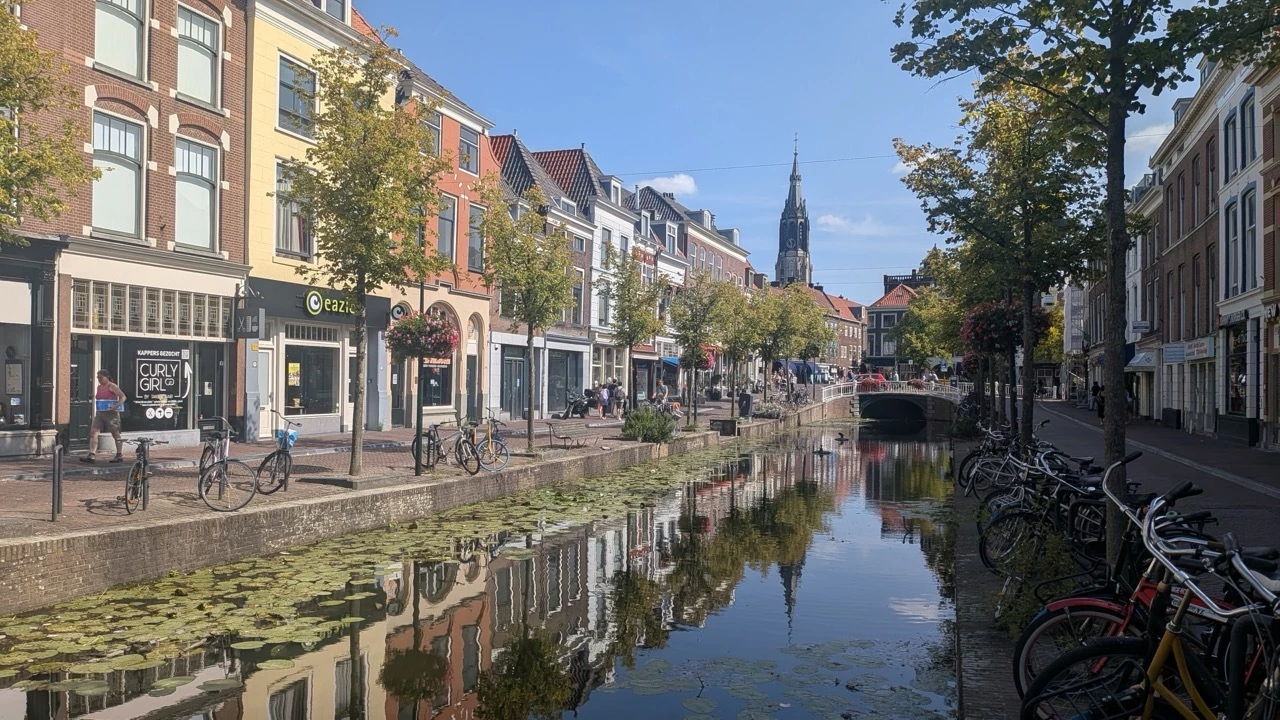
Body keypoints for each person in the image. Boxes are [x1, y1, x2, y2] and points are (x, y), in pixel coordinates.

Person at [83, 369, 127, 463]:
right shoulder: (99, 387)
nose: (99, 380)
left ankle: (119, 454)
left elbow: (123, 397)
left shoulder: (112, 386)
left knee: (115, 433)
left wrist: (115, 406)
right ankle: (92, 454)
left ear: (107, 377)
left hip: (111, 413)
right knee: (93, 432)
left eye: (101, 378)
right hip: (100, 412)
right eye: (98, 378)